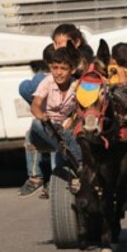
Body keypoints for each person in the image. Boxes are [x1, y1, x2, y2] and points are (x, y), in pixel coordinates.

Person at [19, 47, 81, 197]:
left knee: (69, 140)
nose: (58, 72)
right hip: (48, 126)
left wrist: (72, 121)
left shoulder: (76, 85)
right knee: (35, 125)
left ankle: (75, 169)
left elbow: (81, 108)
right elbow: (35, 105)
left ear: (72, 70)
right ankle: (79, 162)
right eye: (55, 68)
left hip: (65, 128)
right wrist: (42, 116)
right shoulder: (47, 82)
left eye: (63, 68)